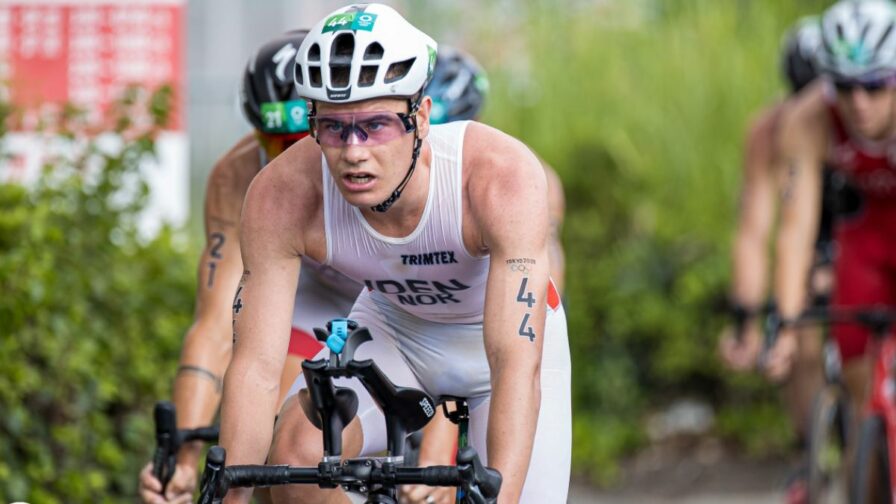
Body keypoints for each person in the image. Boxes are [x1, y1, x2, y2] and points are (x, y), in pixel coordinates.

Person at [218, 4, 572, 504]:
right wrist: (231, 495)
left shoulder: (499, 177)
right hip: (396, 331)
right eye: (334, 127)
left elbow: (514, 362)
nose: (354, 150)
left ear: (421, 117)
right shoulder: (282, 194)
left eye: (377, 124)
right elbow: (255, 366)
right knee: (296, 457)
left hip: (502, 352)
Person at [138, 30, 363, 504]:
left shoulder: (371, 161)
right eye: (272, 142)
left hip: (381, 301)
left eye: (300, 139)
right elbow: (217, 325)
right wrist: (183, 454)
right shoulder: (237, 174)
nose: (287, 159)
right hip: (308, 302)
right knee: (256, 457)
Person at [768, 0, 896, 477]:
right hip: (864, 237)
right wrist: (784, 318)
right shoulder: (808, 119)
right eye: (844, 86)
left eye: (874, 86)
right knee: (858, 371)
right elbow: (795, 226)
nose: (858, 102)